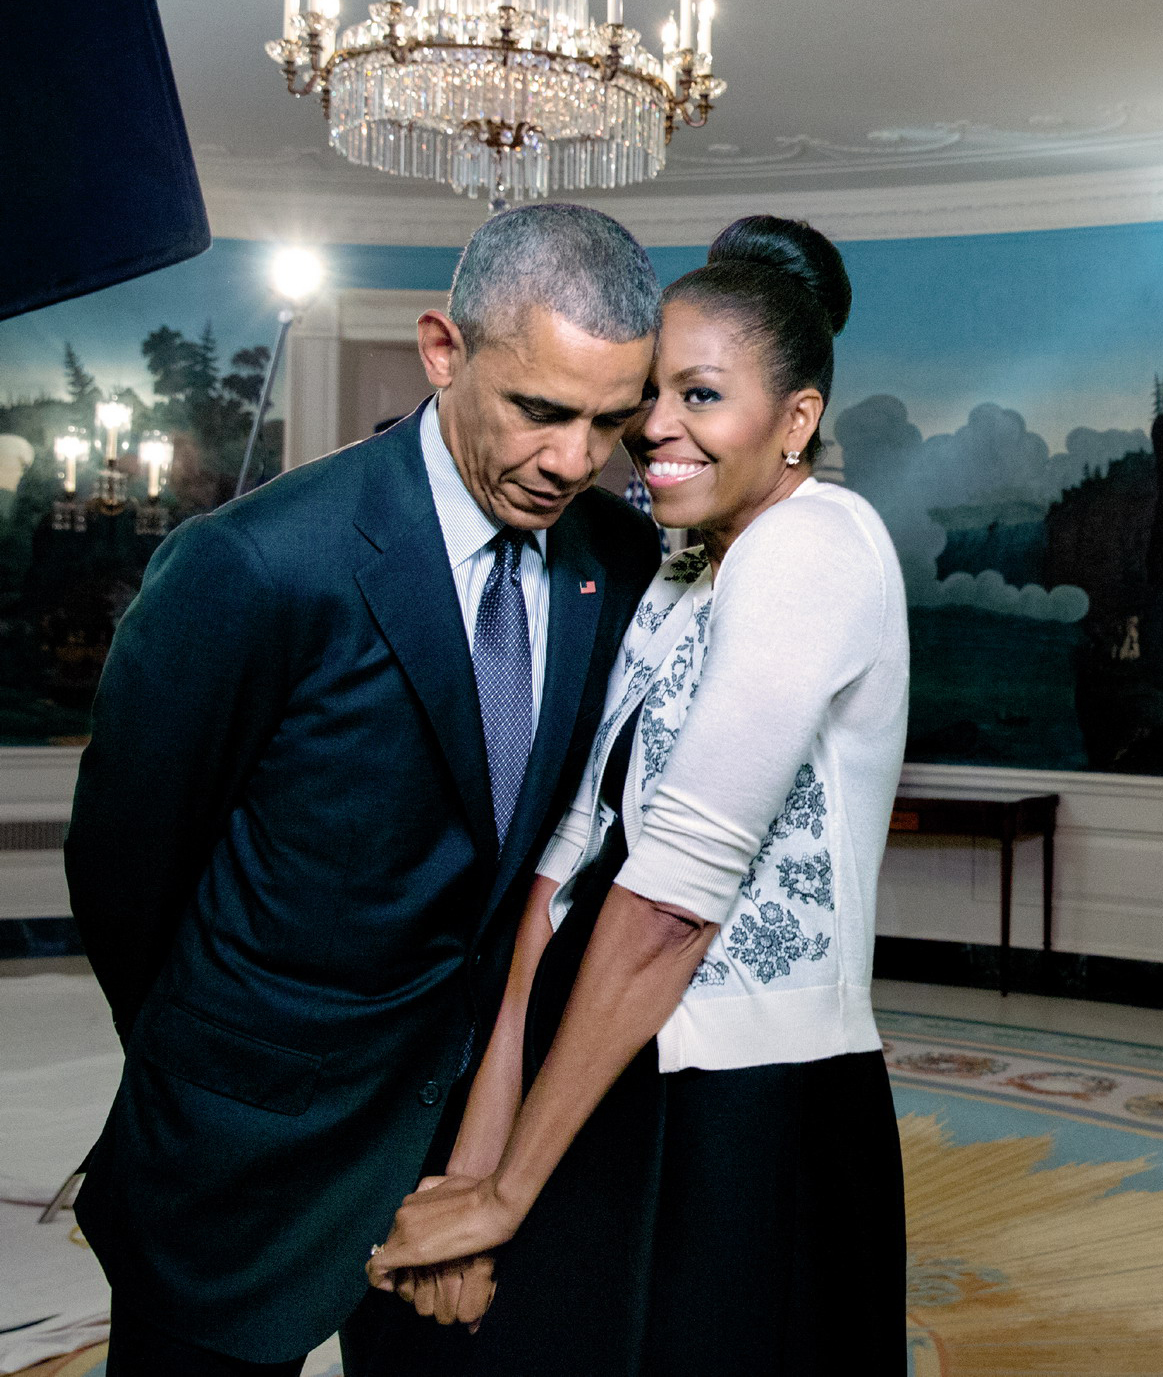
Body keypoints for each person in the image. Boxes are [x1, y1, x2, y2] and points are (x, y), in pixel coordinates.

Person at [65, 203, 666, 1376]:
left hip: (464, 1158)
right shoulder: (256, 563)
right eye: (540, 410)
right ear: (444, 350)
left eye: (610, 420)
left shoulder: (615, 559)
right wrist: (226, 1062)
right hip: (241, 1153)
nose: (573, 460)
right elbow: (125, 867)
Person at [355, 216, 910, 1375]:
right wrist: (478, 1164)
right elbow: (558, 882)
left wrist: (506, 1192)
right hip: (600, 1056)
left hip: (745, 1103)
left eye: (701, 396)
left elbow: (671, 898)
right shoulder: (680, 563)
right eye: (648, 395)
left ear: (795, 420)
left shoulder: (817, 544)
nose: (652, 427)